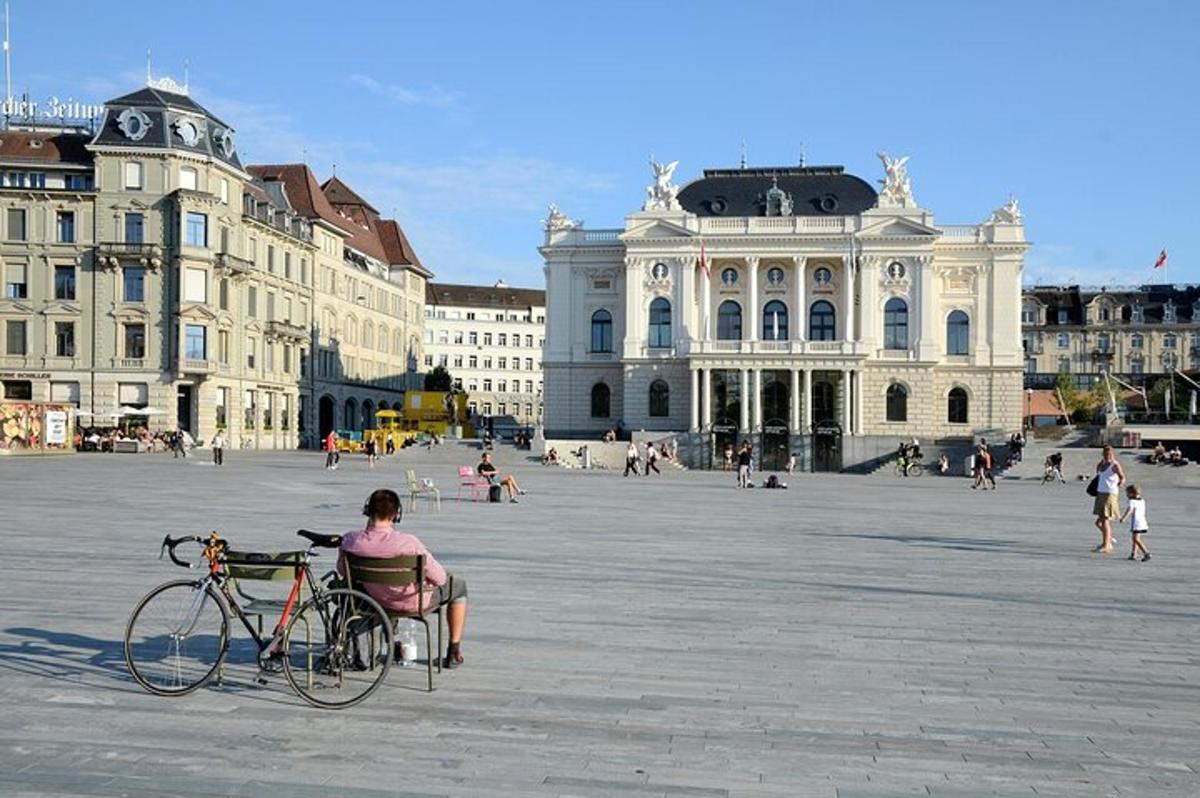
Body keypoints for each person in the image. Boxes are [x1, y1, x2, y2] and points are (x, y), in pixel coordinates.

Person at [339, 489, 469, 668]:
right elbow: (439, 579)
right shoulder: (409, 542)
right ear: (397, 515)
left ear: (367, 511)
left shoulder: (350, 540)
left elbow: (343, 570)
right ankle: (454, 652)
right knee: (459, 587)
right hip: (413, 601)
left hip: (375, 599)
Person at [1092, 444, 1125, 553]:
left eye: (1109, 453)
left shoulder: (1115, 465)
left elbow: (1123, 477)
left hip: (1110, 493)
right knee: (1099, 522)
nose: (1107, 455)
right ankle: (1107, 541)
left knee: (1105, 520)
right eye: (1105, 453)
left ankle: (1107, 545)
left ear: (1112, 453)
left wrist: (1121, 483)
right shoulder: (1101, 464)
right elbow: (1098, 474)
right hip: (1100, 493)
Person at [1118, 484, 1151, 562]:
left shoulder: (1132, 501)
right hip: (1143, 522)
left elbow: (1130, 510)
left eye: (1127, 493)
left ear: (1131, 493)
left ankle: (1146, 553)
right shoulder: (1142, 500)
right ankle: (1134, 554)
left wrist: (1124, 518)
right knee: (1135, 539)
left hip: (1137, 523)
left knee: (1136, 539)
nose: (1126, 495)